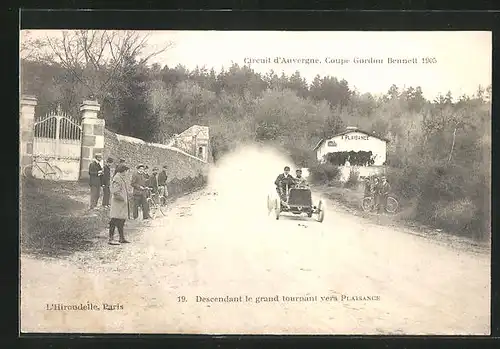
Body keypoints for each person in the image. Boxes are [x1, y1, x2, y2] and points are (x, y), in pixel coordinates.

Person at [108, 164, 131, 245]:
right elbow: (115, 191)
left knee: (121, 220)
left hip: (121, 204)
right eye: (126, 171)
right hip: (118, 203)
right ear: (123, 171)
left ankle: (121, 238)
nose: (127, 173)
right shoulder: (117, 178)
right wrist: (123, 199)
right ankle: (111, 239)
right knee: (114, 220)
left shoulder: (121, 177)